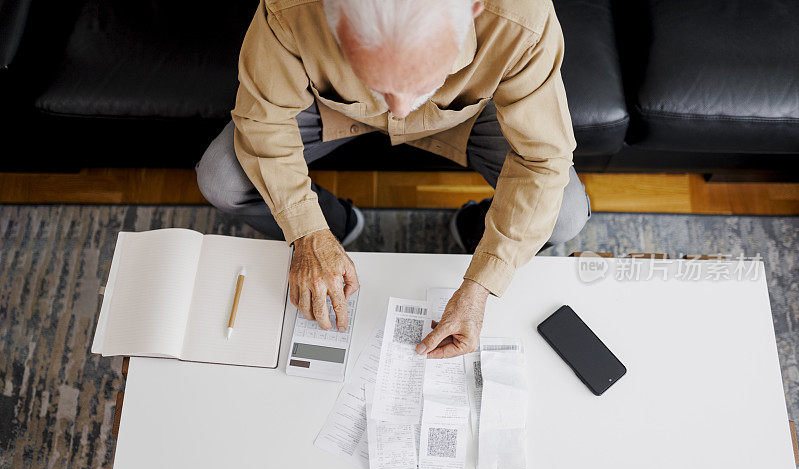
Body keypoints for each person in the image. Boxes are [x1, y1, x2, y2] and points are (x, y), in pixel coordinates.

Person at [197, 0, 590, 359]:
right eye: (376, 79)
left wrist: (484, 281)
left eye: (422, 78)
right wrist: (307, 231)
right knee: (222, 179)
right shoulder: (291, 9)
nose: (399, 107)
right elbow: (264, 119)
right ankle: (336, 230)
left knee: (566, 213)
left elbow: (543, 159)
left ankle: (474, 233)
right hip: (334, 107)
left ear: (473, 9)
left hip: (469, 113)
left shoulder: (524, 17)